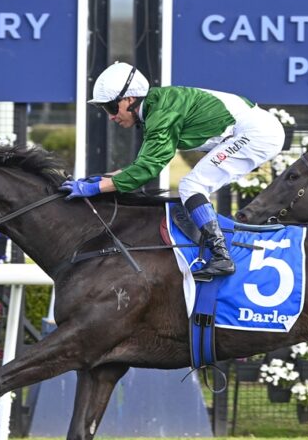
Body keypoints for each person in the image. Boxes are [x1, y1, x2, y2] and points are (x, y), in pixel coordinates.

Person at [60, 61, 285, 279]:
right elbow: (142, 165)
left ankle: (221, 256)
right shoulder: (156, 107)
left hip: (256, 133)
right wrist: (102, 180)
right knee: (193, 185)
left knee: (192, 185)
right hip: (255, 129)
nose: (110, 116)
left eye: (111, 107)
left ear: (129, 99)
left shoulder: (162, 113)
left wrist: (97, 188)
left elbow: (147, 169)